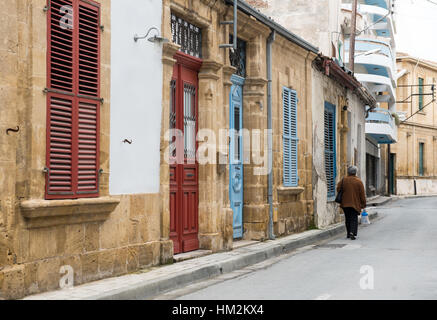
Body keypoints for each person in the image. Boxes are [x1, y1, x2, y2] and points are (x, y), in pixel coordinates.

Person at [337, 165, 366, 240]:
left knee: (347, 218)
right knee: (354, 218)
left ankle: (348, 233)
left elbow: (338, 188)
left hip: (345, 203)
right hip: (355, 203)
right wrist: (363, 204)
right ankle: (352, 232)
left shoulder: (343, 180)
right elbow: (362, 194)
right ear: (355, 172)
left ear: (348, 172)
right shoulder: (359, 181)